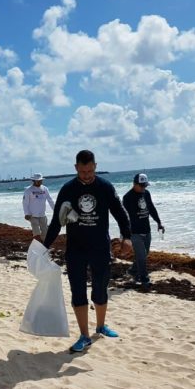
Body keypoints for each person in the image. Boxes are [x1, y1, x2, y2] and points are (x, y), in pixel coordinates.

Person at [42, 150, 133, 353]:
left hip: (100, 246)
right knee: (78, 291)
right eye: (83, 171)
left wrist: (126, 237)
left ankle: (100, 326)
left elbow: (120, 212)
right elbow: (57, 221)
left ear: (95, 166)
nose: (87, 175)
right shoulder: (68, 189)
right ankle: (84, 335)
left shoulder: (105, 187)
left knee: (100, 288)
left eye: (90, 170)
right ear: (76, 168)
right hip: (76, 248)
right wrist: (44, 245)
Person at [122, 173, 164, 288]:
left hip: (147, 230)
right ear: (134, 184)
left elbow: (151, 208)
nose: (143, 188)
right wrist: (125, 234)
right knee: (141, 257)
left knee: (144, 255)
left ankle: (132, 271)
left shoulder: (146, 193)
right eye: (141, 186)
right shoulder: (127, 198)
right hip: (135, 232)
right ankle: (144, 280)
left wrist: (159, 222)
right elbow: (125, 217)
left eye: (145, 186)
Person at [22, 173, 55, 242]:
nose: (40, 182)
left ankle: (43, 246)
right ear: (33, 181)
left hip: (42, 214)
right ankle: (37, 245)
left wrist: (56, 210)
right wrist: (26, 213)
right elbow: (25, 203)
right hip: (32, 215)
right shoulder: (28, 190)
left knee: (45, 232)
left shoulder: (45, 189)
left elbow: (50, 200)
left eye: (41, 180)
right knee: (36, 232)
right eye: (38, 180)